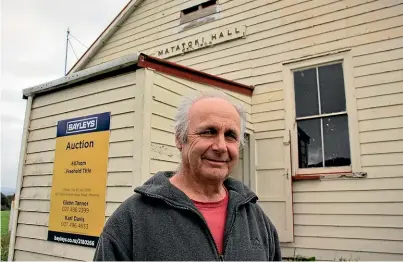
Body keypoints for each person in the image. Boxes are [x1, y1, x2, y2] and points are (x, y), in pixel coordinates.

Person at [93, 90, 282, 261]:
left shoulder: (255, 217)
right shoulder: (131, 220)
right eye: (209, 132)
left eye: (231, 136)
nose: (221, 146)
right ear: (179, 139)